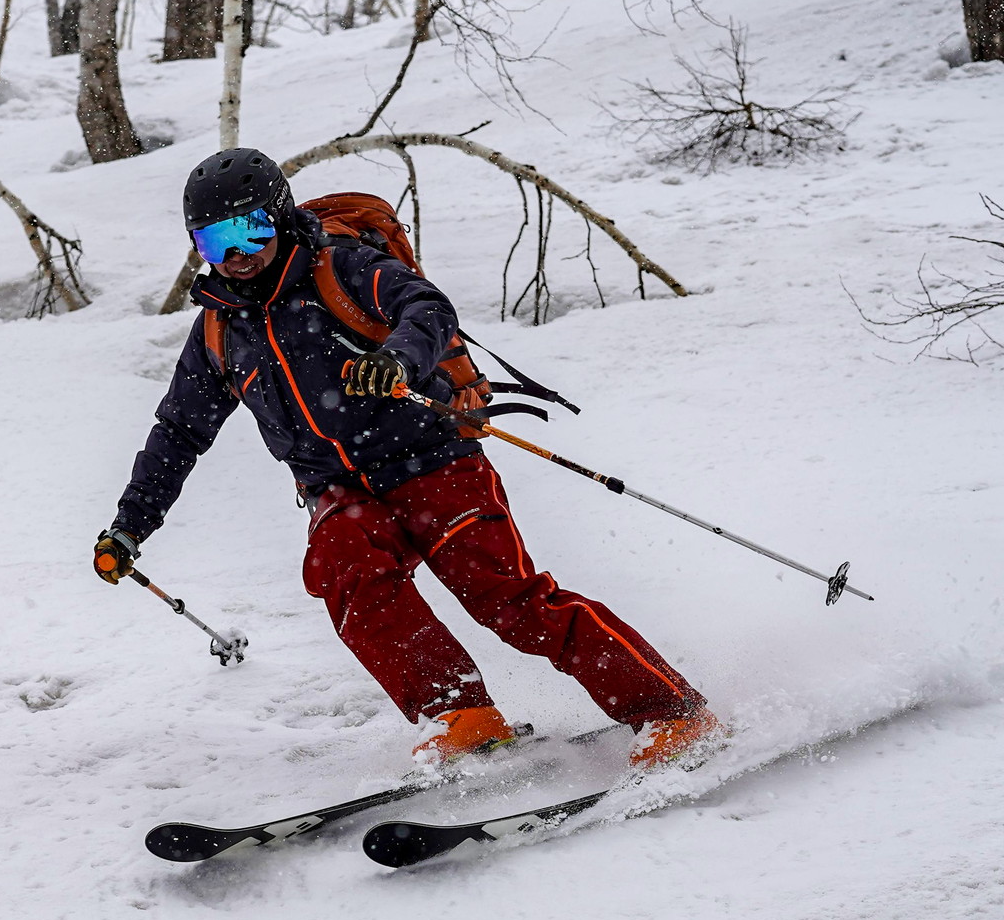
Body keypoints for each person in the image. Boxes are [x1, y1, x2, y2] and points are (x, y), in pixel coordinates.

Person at [95, 149, 721, 770]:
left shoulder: (340, 269)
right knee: (347, 572)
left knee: (507, 602)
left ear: (280, 217)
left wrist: (397, 358)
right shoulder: (220, 330)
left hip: (432, 461)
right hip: (338, 488)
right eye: (214, 241)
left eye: (250, 229)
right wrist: (131, 524)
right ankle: (460, 713)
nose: (237, 255)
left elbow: (426, 308)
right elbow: (178, 432)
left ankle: (670, 711)